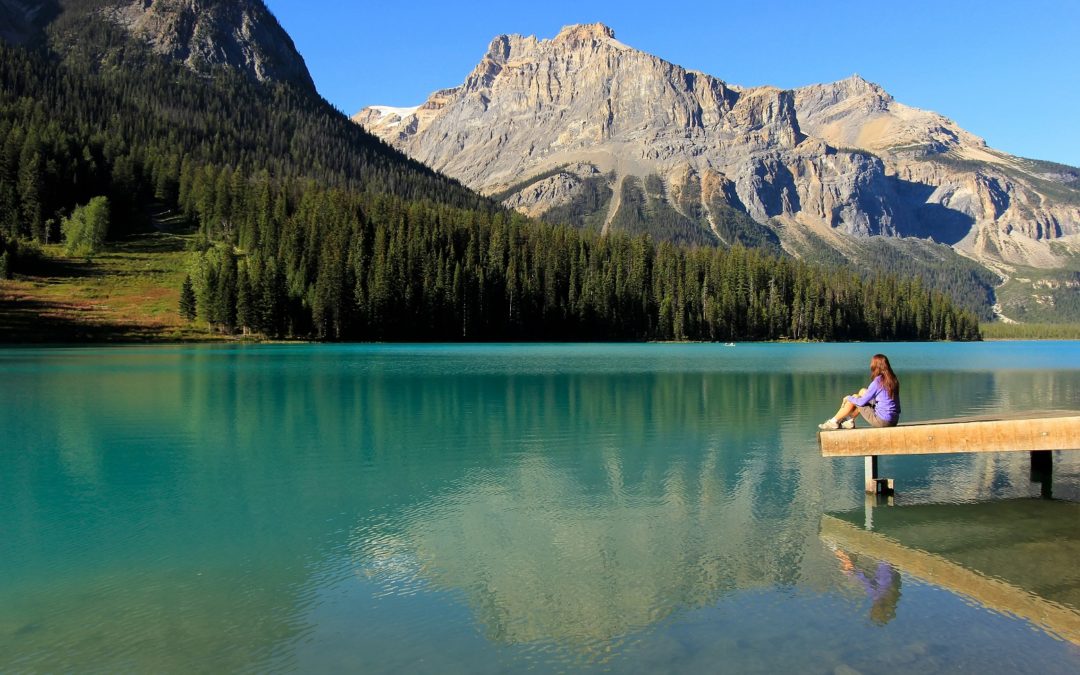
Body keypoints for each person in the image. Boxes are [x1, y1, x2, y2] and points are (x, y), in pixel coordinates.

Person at [819, 353, 900, 430]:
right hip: (894, 420)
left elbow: (861, 402)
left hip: (882, 422)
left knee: (855, 397)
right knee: (862, 391)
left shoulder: (877, 382)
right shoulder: (893, 380)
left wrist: (849, 398)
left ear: (875, 366)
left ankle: (834, 421)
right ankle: (849, 420)